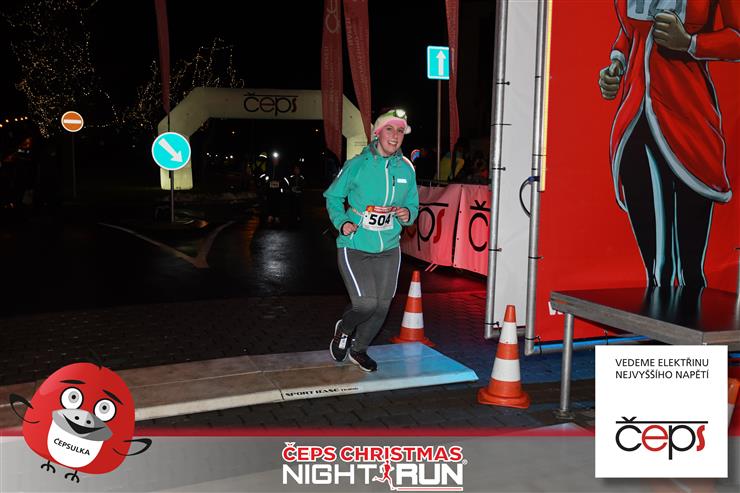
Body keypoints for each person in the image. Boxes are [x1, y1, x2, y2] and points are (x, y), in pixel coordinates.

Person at [598, 1, 738, 287]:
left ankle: (687, 311)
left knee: (689, 272)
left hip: (689, 121)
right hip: (636, 118)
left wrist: (690, 43)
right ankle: (655, 308)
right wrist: (616, 65)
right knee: (657, 270)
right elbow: (630, 31)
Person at [323, 108, 419, 372]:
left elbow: (413, 204)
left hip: (389, 247)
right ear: (377, 133)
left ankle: (359, 349)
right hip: (355, 244)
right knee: (366, 304)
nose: (395, 135)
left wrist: (407, 213)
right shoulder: (357, 165)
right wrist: (342, 222)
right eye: (389, 129)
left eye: (400, 131)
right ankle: (344, 329)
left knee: (382, 306)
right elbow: (332, 196)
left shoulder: (406, 169)